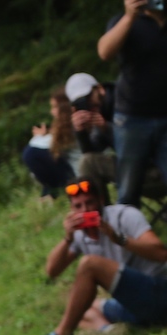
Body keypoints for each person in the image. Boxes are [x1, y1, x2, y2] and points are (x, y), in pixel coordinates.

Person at [20, 177, 167, 335]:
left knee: (89, 265)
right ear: (71, 210)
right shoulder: (80, 234)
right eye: (78, 206)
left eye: (90, 203)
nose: (85, 210)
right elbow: (52, 271)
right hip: (134, 305)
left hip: (159, 292)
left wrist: (118, 238)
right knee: (78, 305)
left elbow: (161, 253)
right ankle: (108, 331)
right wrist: (67, 238)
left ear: (101, 201)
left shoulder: (124, 216)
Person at [98, 0, 167, 207]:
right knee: (128, 189)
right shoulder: (124, 22)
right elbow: (104, 52)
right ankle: (131, 237)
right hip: (132, 118)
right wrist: (130, 16)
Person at [22, 87, 80, 196]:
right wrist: (45, 134)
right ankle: (50, 192)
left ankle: (54, 191)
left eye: (54, 107)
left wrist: (39, 137)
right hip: (76, 169)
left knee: (31, 154)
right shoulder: (70, 124)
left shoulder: (72, 125)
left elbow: (41, 144)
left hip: (78, 173)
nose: (51, 112)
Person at [64, 73, 119, 186]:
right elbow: (91, 155)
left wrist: (107, 128)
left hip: (153, 165)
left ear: (100, 89)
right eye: (81, 102)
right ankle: (98, 204)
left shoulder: (122, 100)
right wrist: (81, 132)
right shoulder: (99, 114)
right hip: (131, 168)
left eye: (88, 97)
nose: (88, 104)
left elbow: (137, 143)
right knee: (87, 162)